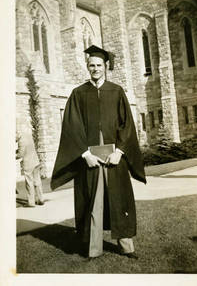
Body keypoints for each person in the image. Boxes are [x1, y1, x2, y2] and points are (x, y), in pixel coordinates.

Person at [51, 45, 146, 259]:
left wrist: (120, 152)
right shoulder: (78, 93)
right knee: (93, 200)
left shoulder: (116, 91)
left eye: (99, 65)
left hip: (114, 157)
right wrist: (85, 155)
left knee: (119, 200)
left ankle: (126, 247)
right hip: (90, 158)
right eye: (91, 65)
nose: (95, 69)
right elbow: (71, 127)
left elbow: (127, 125)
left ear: (105, 67)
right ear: (87, 67)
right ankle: (93, 249)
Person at [16, 124, 45, 207]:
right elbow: (27, 148)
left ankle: (31, 202)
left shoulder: (21, 141)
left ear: (17, 134)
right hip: (35, 161)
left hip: (28, 163)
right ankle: (41, 199)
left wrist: (14, 155)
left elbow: (21, 154)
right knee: (37, 181)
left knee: (29, 183)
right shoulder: (28, 136)